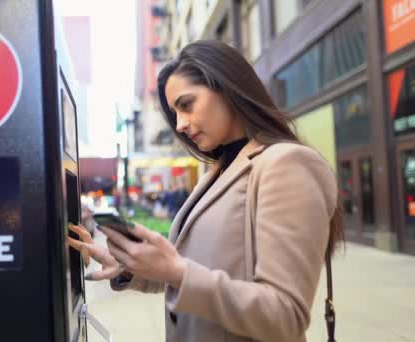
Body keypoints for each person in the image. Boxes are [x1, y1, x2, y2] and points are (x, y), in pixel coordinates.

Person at [68, 40, 343, 342]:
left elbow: (285, 314)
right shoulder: (219, 170)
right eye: (174, 113)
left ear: (227, 87)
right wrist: (130, 267)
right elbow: (197, 269)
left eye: (187, 105)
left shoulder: (287, 164)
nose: (181, 124)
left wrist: (178, 272)